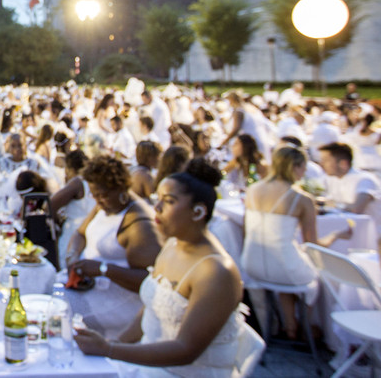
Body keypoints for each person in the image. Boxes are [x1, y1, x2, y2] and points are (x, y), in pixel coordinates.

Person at [76, 158, 255, 377]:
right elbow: (152, 308)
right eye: (158, 199)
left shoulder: (217, 271)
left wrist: (111, 350)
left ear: (198, 212)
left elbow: (185, 351)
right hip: (148, 363)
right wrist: (113, 344)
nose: (156, 208)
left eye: (168, 201)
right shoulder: (172, 245)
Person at [240, 145, 351, 339]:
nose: (305, 171)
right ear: (295, 167)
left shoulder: (253, 189)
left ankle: (290, 325)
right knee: (312, 279)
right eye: (303, 167)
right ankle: (304, 328)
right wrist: (338, 235)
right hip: (283, 267)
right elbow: (313, 245)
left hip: (251, 264)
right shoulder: (302, 199)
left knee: (290, 269)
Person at [66, 155, 162, 339]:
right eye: (94, 195)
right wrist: (72, 256)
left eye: (102, 195)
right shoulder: (105, 206)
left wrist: (103, 269)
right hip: (91, 285)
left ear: (120, 187)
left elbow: (149, 282)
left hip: (118, 301)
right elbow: (80, 234)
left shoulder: (139, 223)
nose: (98, 201)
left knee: (58, 308)